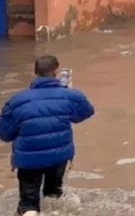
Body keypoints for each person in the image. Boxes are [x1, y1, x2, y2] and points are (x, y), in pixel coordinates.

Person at [0, 56, 95, 216]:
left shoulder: (17, 101)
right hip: (59, 157)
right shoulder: (71, 96)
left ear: (35, 73)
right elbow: (85, 113)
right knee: (53, 195)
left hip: (28, 160)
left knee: (28, 203)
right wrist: (68, 94)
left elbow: (5, 134)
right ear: (56, 72)